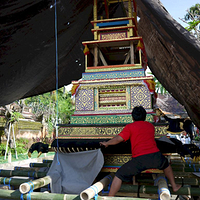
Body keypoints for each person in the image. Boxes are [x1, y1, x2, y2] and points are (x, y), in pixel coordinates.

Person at [100, 106, 181, 196]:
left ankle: (110, 197)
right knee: (166, 165)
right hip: (155, 156)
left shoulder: (130, 127)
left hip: (140, 159)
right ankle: (174, 186)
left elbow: (119, 139)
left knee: (119, 175)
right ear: (145, 116)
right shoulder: (150, 126)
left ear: (132, 117)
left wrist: (107, 143)